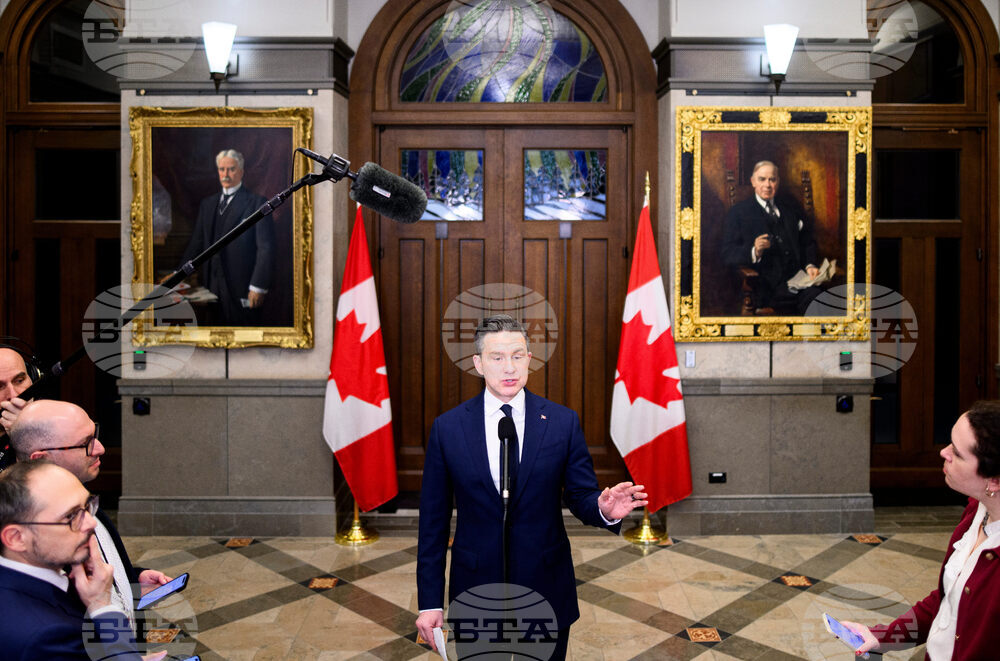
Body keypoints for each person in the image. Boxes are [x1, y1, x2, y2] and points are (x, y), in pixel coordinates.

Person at [415, 314, 648, 660]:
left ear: (529, 359)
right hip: (477, 589)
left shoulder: (561, 422)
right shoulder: (448, 429)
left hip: (546, 587)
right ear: (478, 364)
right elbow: (432, 524)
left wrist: (602, 508)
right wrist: (430, 602)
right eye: (497, 357)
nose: (509, 367)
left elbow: (580, 494)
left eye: (518, 355)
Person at [844, 401, 1000, 660]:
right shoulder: (976, 512)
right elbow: (948, 601)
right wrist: (883, 637)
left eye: (957, 454)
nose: (943, 453)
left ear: (994, 480)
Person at [9, 399, 172, 636]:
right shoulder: (36, 543)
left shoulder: (83, 496)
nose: (100, 448)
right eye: (85, 444)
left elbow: (99, 571)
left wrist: (132, 580)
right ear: (41, 459)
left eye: (94, 434)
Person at [0, 460, 164, 660]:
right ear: (16, 538)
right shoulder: (42, 638)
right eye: (71, 516)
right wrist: (103, 607)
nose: (91, 522)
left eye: (87, 506)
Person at [179, 148, 274, 326]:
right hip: (210, 285)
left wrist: (258, 286)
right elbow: (196, 243)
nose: (226, 174)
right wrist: (179, 275)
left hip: (242, 285)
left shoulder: (256, 203)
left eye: (231, 169)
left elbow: (266, 248)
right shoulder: (208, 204)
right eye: (222, 169)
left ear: (241, 172)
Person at [720, 160, 822, 314]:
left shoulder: (791, 208)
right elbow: (727, 253)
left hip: (799, 283)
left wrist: (810, 265)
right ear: (753, 181)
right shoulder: (738, 213)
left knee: (820, 300)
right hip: (766, 288)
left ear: (778, 182)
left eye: (772, 180)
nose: (767, 185)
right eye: (762, 179)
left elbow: (807, 242)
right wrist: (754, 251)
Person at [0, 346, 34, 471]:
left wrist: (26, 437)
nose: (13, 395)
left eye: (19, 380)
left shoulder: (61, 430)